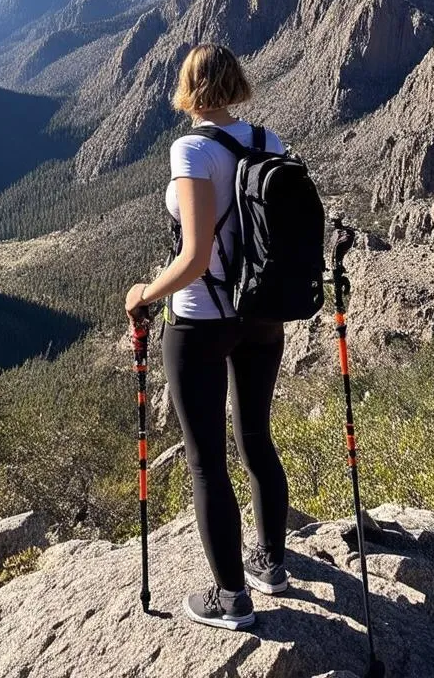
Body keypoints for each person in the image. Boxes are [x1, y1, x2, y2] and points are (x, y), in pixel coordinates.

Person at [125, 43, 290, 631]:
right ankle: (271, 563)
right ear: (238, 82)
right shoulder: (270, 142)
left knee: (205, 462)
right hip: (263, 315)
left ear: (189, 88)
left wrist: (144, 294)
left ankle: (230, 597)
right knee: (256, 437)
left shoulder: (191, 149)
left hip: (199, 320)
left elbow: (193, 258)